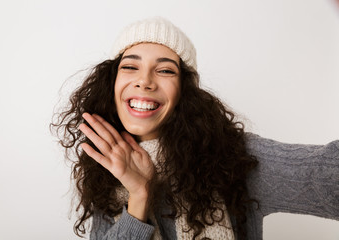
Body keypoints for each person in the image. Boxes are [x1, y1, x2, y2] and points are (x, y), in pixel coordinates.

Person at [51, 17, 339, 240]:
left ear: (185, 93)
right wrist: (139, 194)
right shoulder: (105, 168)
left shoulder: (235, 158)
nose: (145, 81)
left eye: (165, 70)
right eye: (130, 67)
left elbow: (328, 175)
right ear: (111, 83)